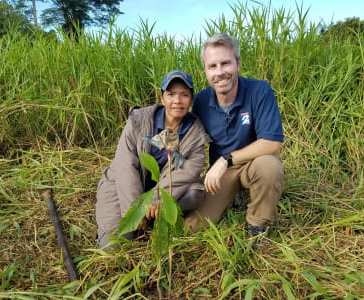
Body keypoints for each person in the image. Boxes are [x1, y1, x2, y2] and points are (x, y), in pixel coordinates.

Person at [184, 33, 285, 239]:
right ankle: (233, 196)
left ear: (238, 63)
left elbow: (272, 143)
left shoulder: (259, 90)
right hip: (221, 175)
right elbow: (189, 142)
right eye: (212, 66)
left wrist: (226, 160)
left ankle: (258, 226)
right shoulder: (202, 101)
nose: (220, 72)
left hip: (252, 164)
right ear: (205, 71)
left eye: (225, 63)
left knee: (270, 166)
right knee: (189, 228)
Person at [96, 70, 210, 248]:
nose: (177, 101)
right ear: (162, 98)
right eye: (171, 94)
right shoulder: (139, 120)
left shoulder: (195, 133)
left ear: (191, 100)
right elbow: (125, 166)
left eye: (184, 95)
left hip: (162, 191)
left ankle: (154, 218)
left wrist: (155, 200)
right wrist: (135, 210)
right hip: (123, 185)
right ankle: (141, 218)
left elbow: (187, 172)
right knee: (114, 244)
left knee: (195, 192)